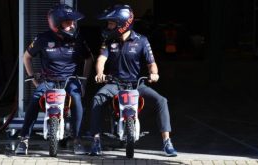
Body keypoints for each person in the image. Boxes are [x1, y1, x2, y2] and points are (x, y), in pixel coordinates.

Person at [89, 4, 177, 157]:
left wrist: (154, 74)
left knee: (161, 101)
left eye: (111, 23)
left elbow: (151, 63)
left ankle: (167, 142)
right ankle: (96, 141)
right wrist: (100, 73)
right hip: (114, 83)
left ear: (122, 24)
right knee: (97, 98)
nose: (108, 26)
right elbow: (101, 59)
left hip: (136, 84)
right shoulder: (109, 41)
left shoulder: (142, 41)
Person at [15, 3, 93, 155]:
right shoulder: (42, 39)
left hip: (69, 80)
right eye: (68, 22)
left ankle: (76, 139)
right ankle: (24, 139)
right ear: (57, 24)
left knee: (77, 99)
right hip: (48, 80)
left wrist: (83, 81)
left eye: (73, 21)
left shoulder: (78, 39)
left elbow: (89, 59)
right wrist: (32, 78)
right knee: (35, 100)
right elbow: (26, 57)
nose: (72, 25)